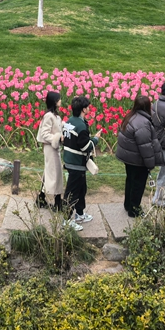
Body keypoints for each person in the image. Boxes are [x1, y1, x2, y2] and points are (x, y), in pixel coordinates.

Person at [116, 95, 163, 218]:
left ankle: (128, 204)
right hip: (137, 159)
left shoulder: (130, 116)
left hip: (128, 157)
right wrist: (150, 164)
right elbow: (145, 146)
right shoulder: (143, 122)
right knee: (138, 184)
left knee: (130, 181)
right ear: (147, 106)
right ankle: (134, 209)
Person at [62, 96, 101, 230]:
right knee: (72, 192)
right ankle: (66, 220)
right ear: (84, 109)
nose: (89, 108)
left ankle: (79, 214)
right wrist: (95, 139)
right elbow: (85, 147)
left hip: (69, 159)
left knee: (81, 189)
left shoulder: (69, 121)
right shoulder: (81, 126)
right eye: (88, 107)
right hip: (76, 163)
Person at [36, 91, 64, 210]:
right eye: (59, 99)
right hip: (50, 147)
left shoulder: (56, 116)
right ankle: (57, 202)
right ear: (54, 101)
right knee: (55, 172)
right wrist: (57, 138)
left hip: (55, 147)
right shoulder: (49, 116)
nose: (61, 101)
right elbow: (44, 134)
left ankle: (41, 198)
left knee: (50, 172)